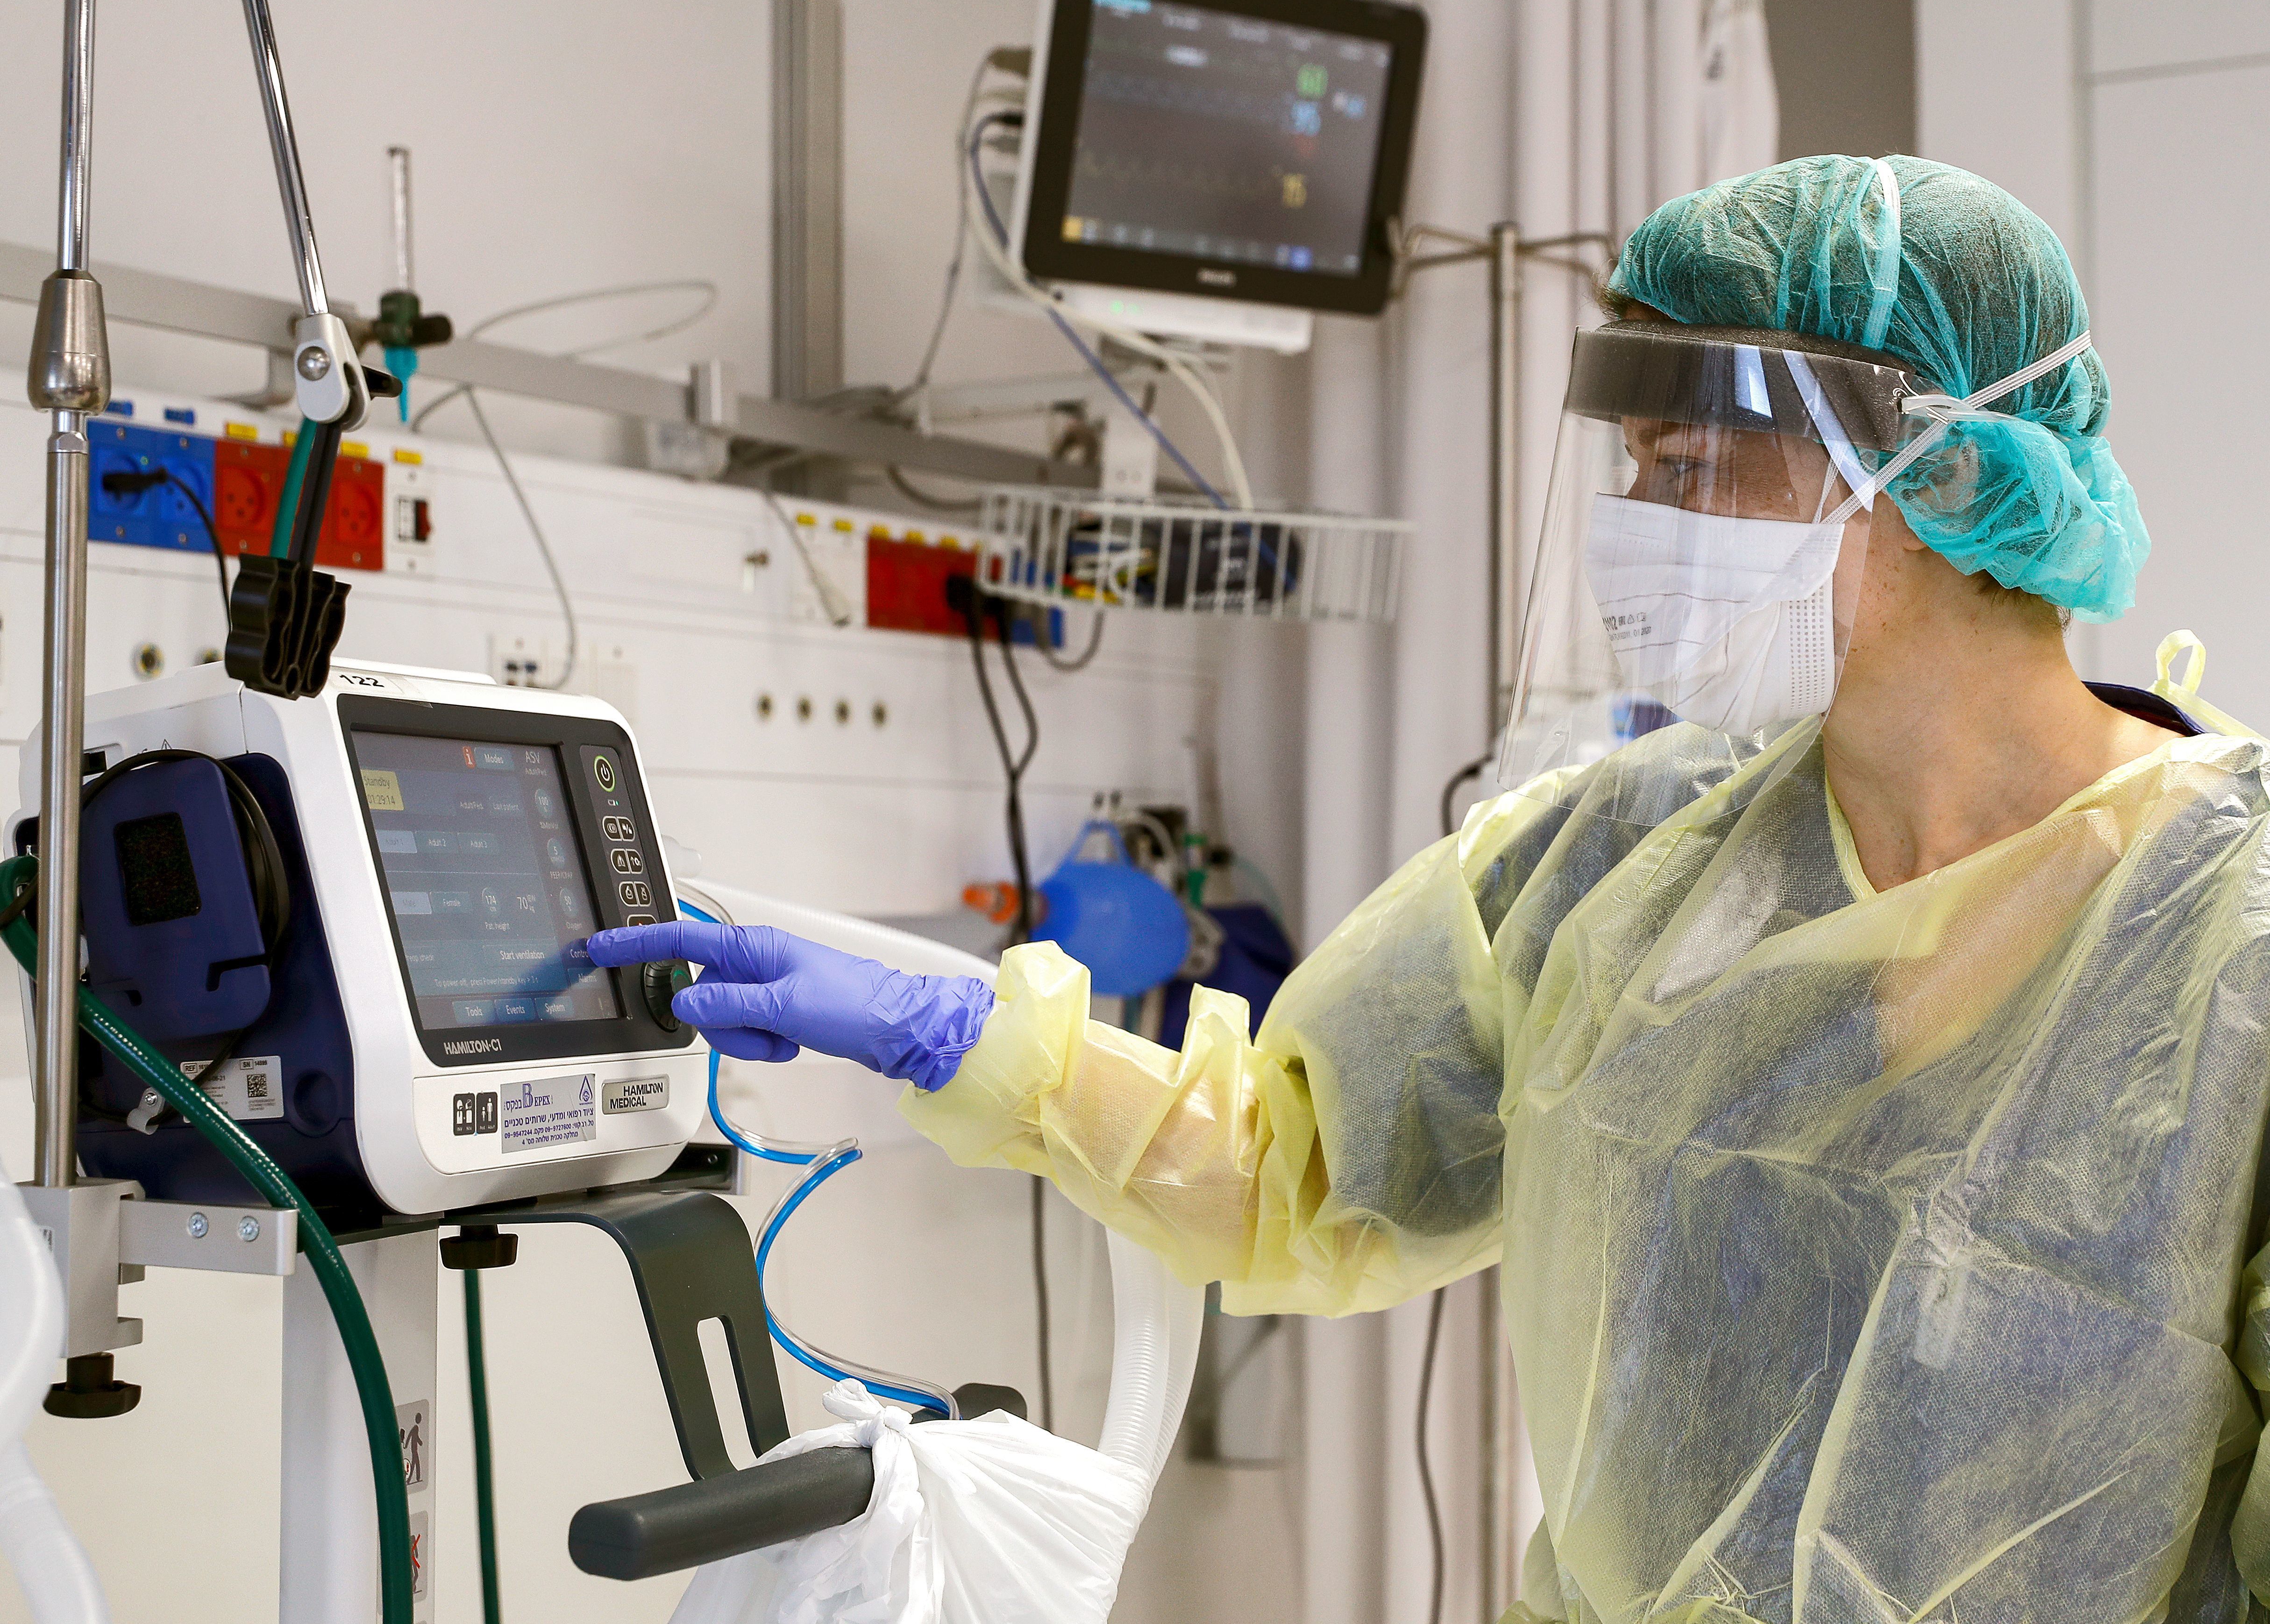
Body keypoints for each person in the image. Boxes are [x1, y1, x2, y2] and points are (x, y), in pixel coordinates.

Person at [591, 156, 2270, 1622]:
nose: (1639, 525)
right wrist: (961, 1038)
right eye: (1632, 466)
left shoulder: (2232, 936)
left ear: (1943, 471)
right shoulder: (1629, 859)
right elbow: (1295, 1168)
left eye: (1693, 470)